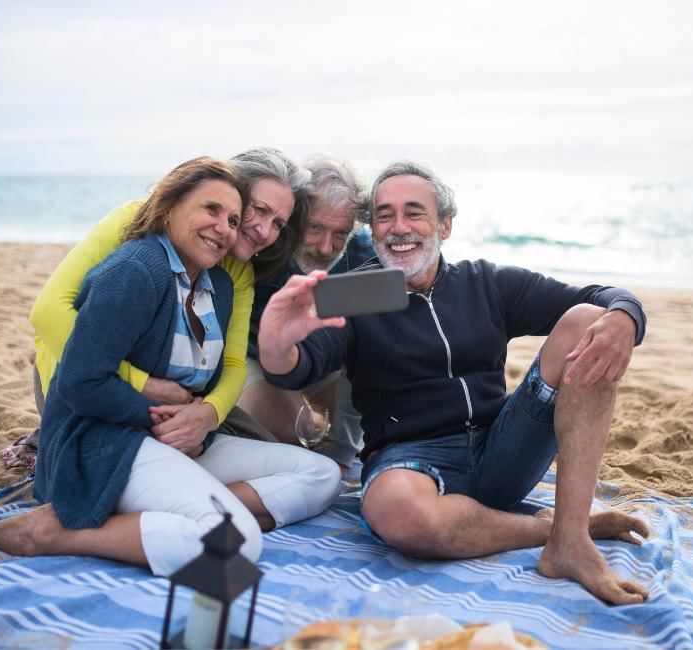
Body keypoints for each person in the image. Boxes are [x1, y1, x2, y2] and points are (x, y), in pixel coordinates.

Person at [257, 161, 652, 605]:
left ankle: (572, 540)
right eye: (384, 216)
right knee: (391, 508)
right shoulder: (356, 291)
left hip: (503, 448)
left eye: (414, 212)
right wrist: (276, 343)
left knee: (587, 322)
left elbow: (598, 297)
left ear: (444, 224)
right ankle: (559, 531)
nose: (398, 227)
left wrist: (626, 316)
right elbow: (301, 364)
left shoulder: (485, 282)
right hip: (411, 460)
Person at [0, 157, 340, 575]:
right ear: (171, 205)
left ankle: (178, 509)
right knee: (236, 540)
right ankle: (54, 532)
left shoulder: (223, 278)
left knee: (322, 475)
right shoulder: (136, 263)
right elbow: (66, 346)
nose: (258, 229)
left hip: (171, 430)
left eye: (238, 219)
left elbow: (232, 363)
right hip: (105, 423)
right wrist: (147, 392)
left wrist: (203, 416)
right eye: (220, 210)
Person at [237, 155, 374, 470]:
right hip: (251, 353)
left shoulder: (363, 256)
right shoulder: (261, 245)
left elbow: (365, 356)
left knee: (328, 438)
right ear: (296, 216)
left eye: (341, 233)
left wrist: (341, 455)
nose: (326, 248)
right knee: (298, 434)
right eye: (314, 228)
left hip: (318, 357)